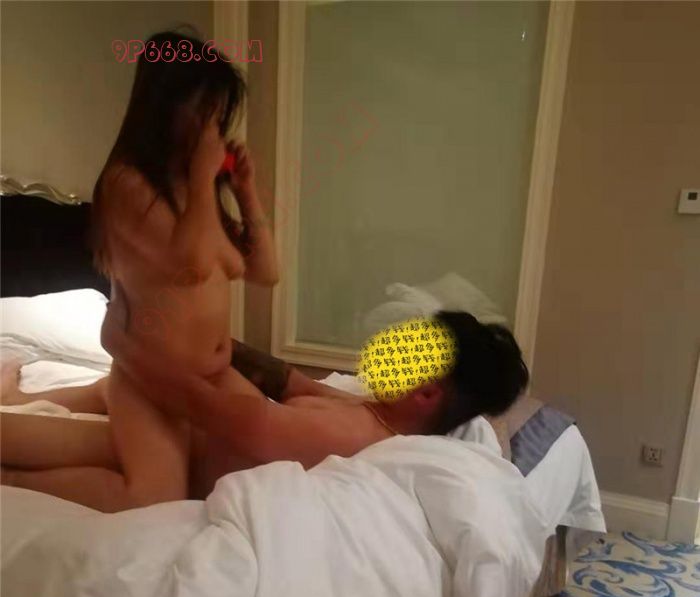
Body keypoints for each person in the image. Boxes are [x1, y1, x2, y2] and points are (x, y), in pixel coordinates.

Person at [15, 31, 279, 512]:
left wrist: (246, 191)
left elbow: (267, 271)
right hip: (151, 381)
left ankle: (92, 409)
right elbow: (191, 267)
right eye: (206, 112)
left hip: (208, 379)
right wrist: (203, 178)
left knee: (265, 473)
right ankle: (11, 476)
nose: (215, 128)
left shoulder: (196, 193)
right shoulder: (127, 184)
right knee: (154, 496)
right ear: (168, 106)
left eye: (220, 115)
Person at [1, 311, 529, 506]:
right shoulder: (375, 415)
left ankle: (13, 468)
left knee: (101, 444)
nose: (393, 344)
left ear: (427, 394)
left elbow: (255, 423)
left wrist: (169, 369)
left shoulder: (357, 436)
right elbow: (292, 384)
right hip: (180, 435)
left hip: (181, 447)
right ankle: (20, 401)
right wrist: (216, 347)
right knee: (111, 401)